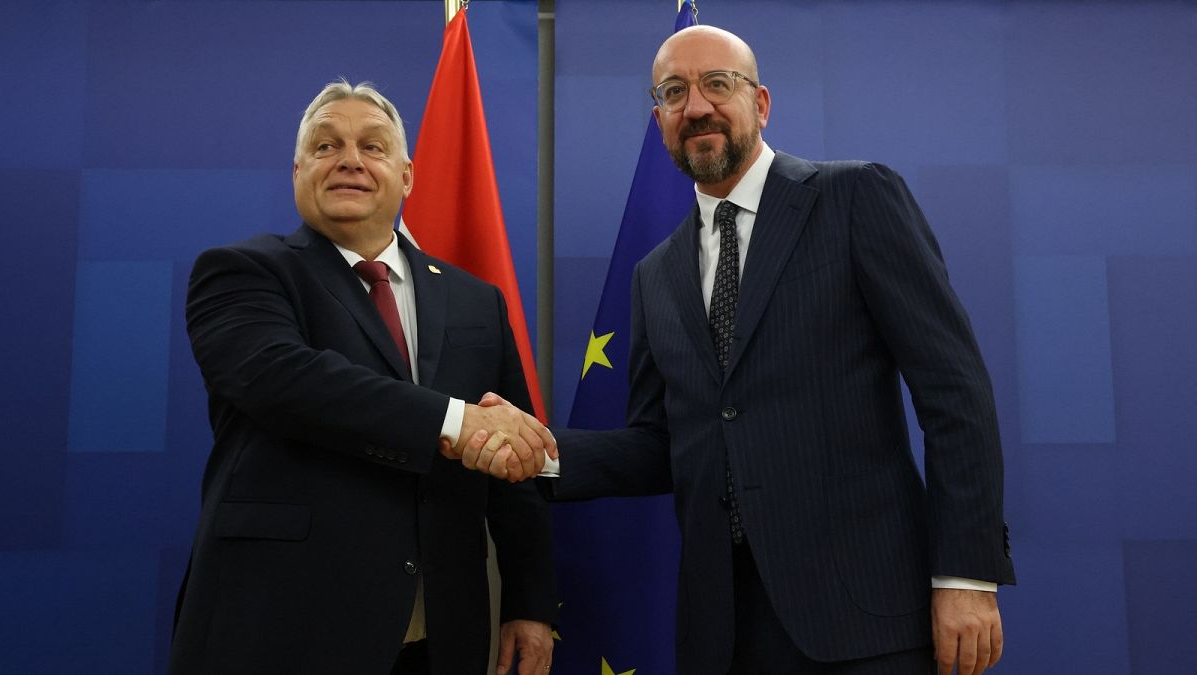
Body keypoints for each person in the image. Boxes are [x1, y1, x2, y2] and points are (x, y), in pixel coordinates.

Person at [473, 24, 1015, 675]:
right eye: (675, 92)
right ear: (660, 119)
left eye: (716, 85)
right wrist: (539, 450)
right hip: (723, 632)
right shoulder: (655, 275)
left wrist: (966, 573)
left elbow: (954, 392)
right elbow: (658, 444)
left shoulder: (852, 197)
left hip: (867, 619)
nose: (696, 105)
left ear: (760, 103)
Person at [168, 80, 558, 675]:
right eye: (327, 146)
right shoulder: (243, 272)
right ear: (297, 171)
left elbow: (513, 465)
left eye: (373, 147)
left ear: (407, 176)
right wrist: (456, 421)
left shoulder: (478, 301)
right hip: (282, 631)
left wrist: (528, 602)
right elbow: (288, 380)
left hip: (441, 639)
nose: (350, 159)